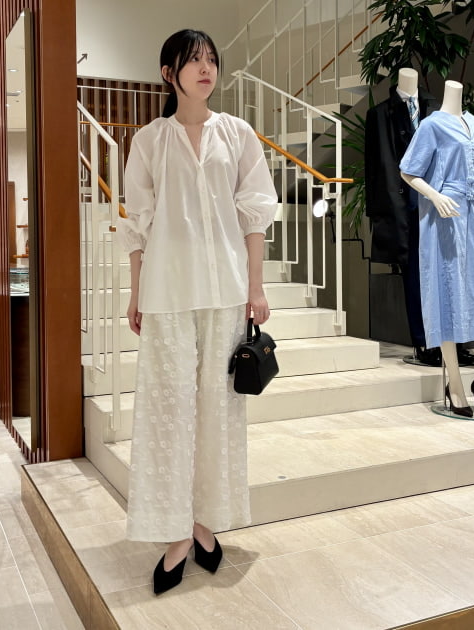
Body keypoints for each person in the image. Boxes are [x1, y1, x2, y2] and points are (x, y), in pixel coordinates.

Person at [116, 29, 278, 595]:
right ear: (169, 73)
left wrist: (256, 287)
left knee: (218, 409)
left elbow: (255, 215)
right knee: (168, 409)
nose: (206, 69)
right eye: (193, 60)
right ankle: (174, 531)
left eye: (211, 59)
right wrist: (135, 291)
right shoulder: (149, 140)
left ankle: (205, 522)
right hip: (167, 290)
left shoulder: (237, 133)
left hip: (226, 289)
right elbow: (137, 223)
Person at [399, 80, 474, 417]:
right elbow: (408, 172)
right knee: (447, 292)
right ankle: (456, 385)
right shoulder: (431, 126)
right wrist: (435, 196)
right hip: (445, 217)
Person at [365, 69, 474, 367]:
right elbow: (373, 167)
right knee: (415, 278)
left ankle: (454, 344)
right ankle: (424, 343)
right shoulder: (379, 114)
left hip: (439, 204)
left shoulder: (436, 106)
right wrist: (378, 214)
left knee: (450, 275)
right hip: (403, 209)